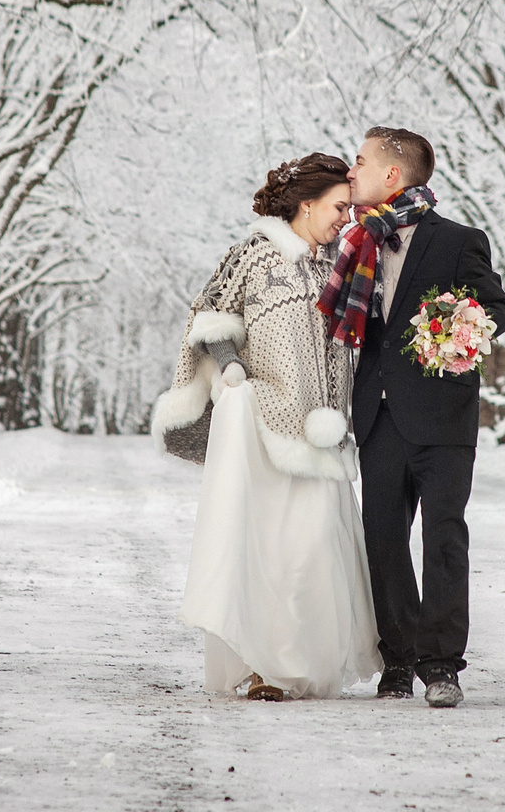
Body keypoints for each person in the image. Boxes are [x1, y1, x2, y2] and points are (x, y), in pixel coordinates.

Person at [153, 152, 381, 700]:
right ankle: (266, 670)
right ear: (306, 204)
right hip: (264, 425)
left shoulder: (343, 260)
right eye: (337, 207)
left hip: (322, 428)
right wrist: (231, 365)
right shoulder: (254, 255)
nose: (344, 218)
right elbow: (209, 317)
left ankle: (302, 663)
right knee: (269, 552)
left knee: (314, 550)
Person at [322, 126, 505, 709]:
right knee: (382, 541)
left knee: (444, 540)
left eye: (359, 161)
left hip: (443, 419)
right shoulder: (358, 244)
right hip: (378, 418)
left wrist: (458, 326)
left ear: (392, 175)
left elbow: (499, 309)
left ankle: (441, 665)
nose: (350, 171)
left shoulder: (458, 241)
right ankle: (399, 660)